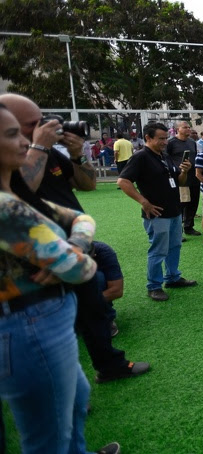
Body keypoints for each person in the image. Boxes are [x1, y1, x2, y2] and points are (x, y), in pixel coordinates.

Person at [2, 93, 149, 382]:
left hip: (74, 246)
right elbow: (20, 192)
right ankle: (65, 391)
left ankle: (109, 365)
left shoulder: (50, 153)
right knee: (53, 328)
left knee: (94, 313)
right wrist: (38, 146)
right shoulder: (18, 160)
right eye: (33, 124)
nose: (46, 126)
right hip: (36, 259)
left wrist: (78, 155)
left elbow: (88, 185)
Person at [0, 102, 120, 454]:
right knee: (47, 437)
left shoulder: (13, 196)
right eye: (15, 133)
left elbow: (82, 216)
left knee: (75, 401)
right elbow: (80, 268)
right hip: (29, 325)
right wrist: (77, 251)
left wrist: (74, 245)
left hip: (46, 318)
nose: (28, 139)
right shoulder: (7, 208)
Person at [118, 122, 199, 301]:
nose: (165, 142)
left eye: (165, 138)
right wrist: (144, 202)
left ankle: (172, 277)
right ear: (148, 138)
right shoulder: (141, 157)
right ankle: (154, 286)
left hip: (174, 211)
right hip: (156, 214)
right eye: (161, 138)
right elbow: (123, 181)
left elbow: (179, 181)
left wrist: (184, 171)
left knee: (175, 246)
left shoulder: (164, 156)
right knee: (159, 250)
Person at [166, 120, 201, 237]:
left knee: (193, 202)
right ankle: (177, 231)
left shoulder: (192, 142)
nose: (188, 129)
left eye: (189, 127)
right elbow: (167, 159)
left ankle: (189, 226)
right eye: (185, 127)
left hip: (193, 177)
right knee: (181, 205)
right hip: (181, 177)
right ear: (177, 129)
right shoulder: (171, 143)